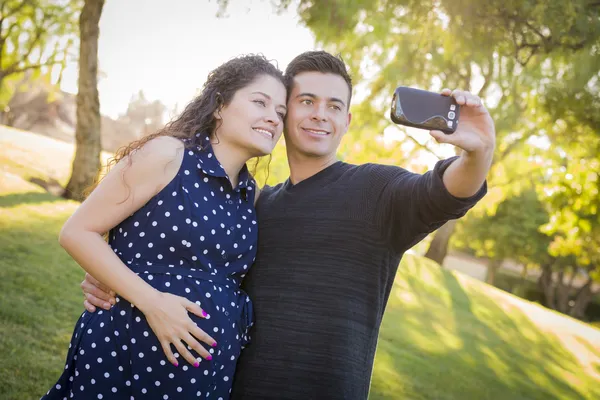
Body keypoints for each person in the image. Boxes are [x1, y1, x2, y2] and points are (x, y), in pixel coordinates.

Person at [82, 51, 494, 399]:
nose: (320, 115)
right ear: (285, 113)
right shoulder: (256, 204)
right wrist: (117, 278)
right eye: (306, 101)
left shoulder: (376, 190)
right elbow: (196, 261)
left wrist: (478, 153)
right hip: (226, 386)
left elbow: (444, 192)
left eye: (334, 106)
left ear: (347, 121)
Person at [42, 54, 287, 400]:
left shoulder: (251, 197)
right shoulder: (168, 155)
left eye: (280, 112)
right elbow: (78, 232)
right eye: (260, 102)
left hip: (206, 373)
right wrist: (153, 302)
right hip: (127, 350)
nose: (272, 117)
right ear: (219, 105)